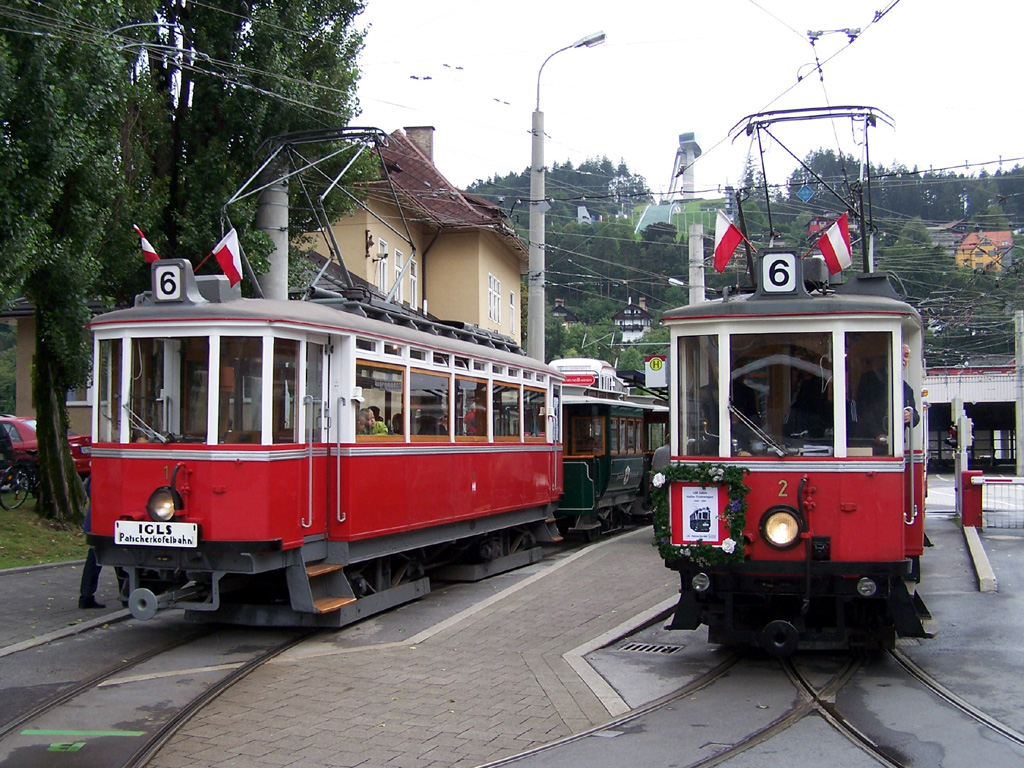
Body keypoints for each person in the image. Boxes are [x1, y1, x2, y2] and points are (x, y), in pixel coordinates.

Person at [78, 476, 105, 609]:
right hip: (102, 520)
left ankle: (86, 595)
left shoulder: (94, 476)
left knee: (94, 558)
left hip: (96, 519)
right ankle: (126, 594)